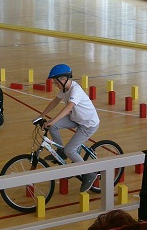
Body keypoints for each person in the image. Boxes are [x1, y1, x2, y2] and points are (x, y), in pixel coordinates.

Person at [33, 64, 99, 193]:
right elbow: (55, 102)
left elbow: (68, 107)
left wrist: (52, 120)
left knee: (70, 150)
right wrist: (41, 115)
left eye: (55, 81)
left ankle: (90, 174)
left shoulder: (75, 90)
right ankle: (61, 153)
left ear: (63, 79)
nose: (54, 84)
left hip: (88, 124)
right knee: (54, 127)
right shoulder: (64, 89)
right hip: (76, 118)